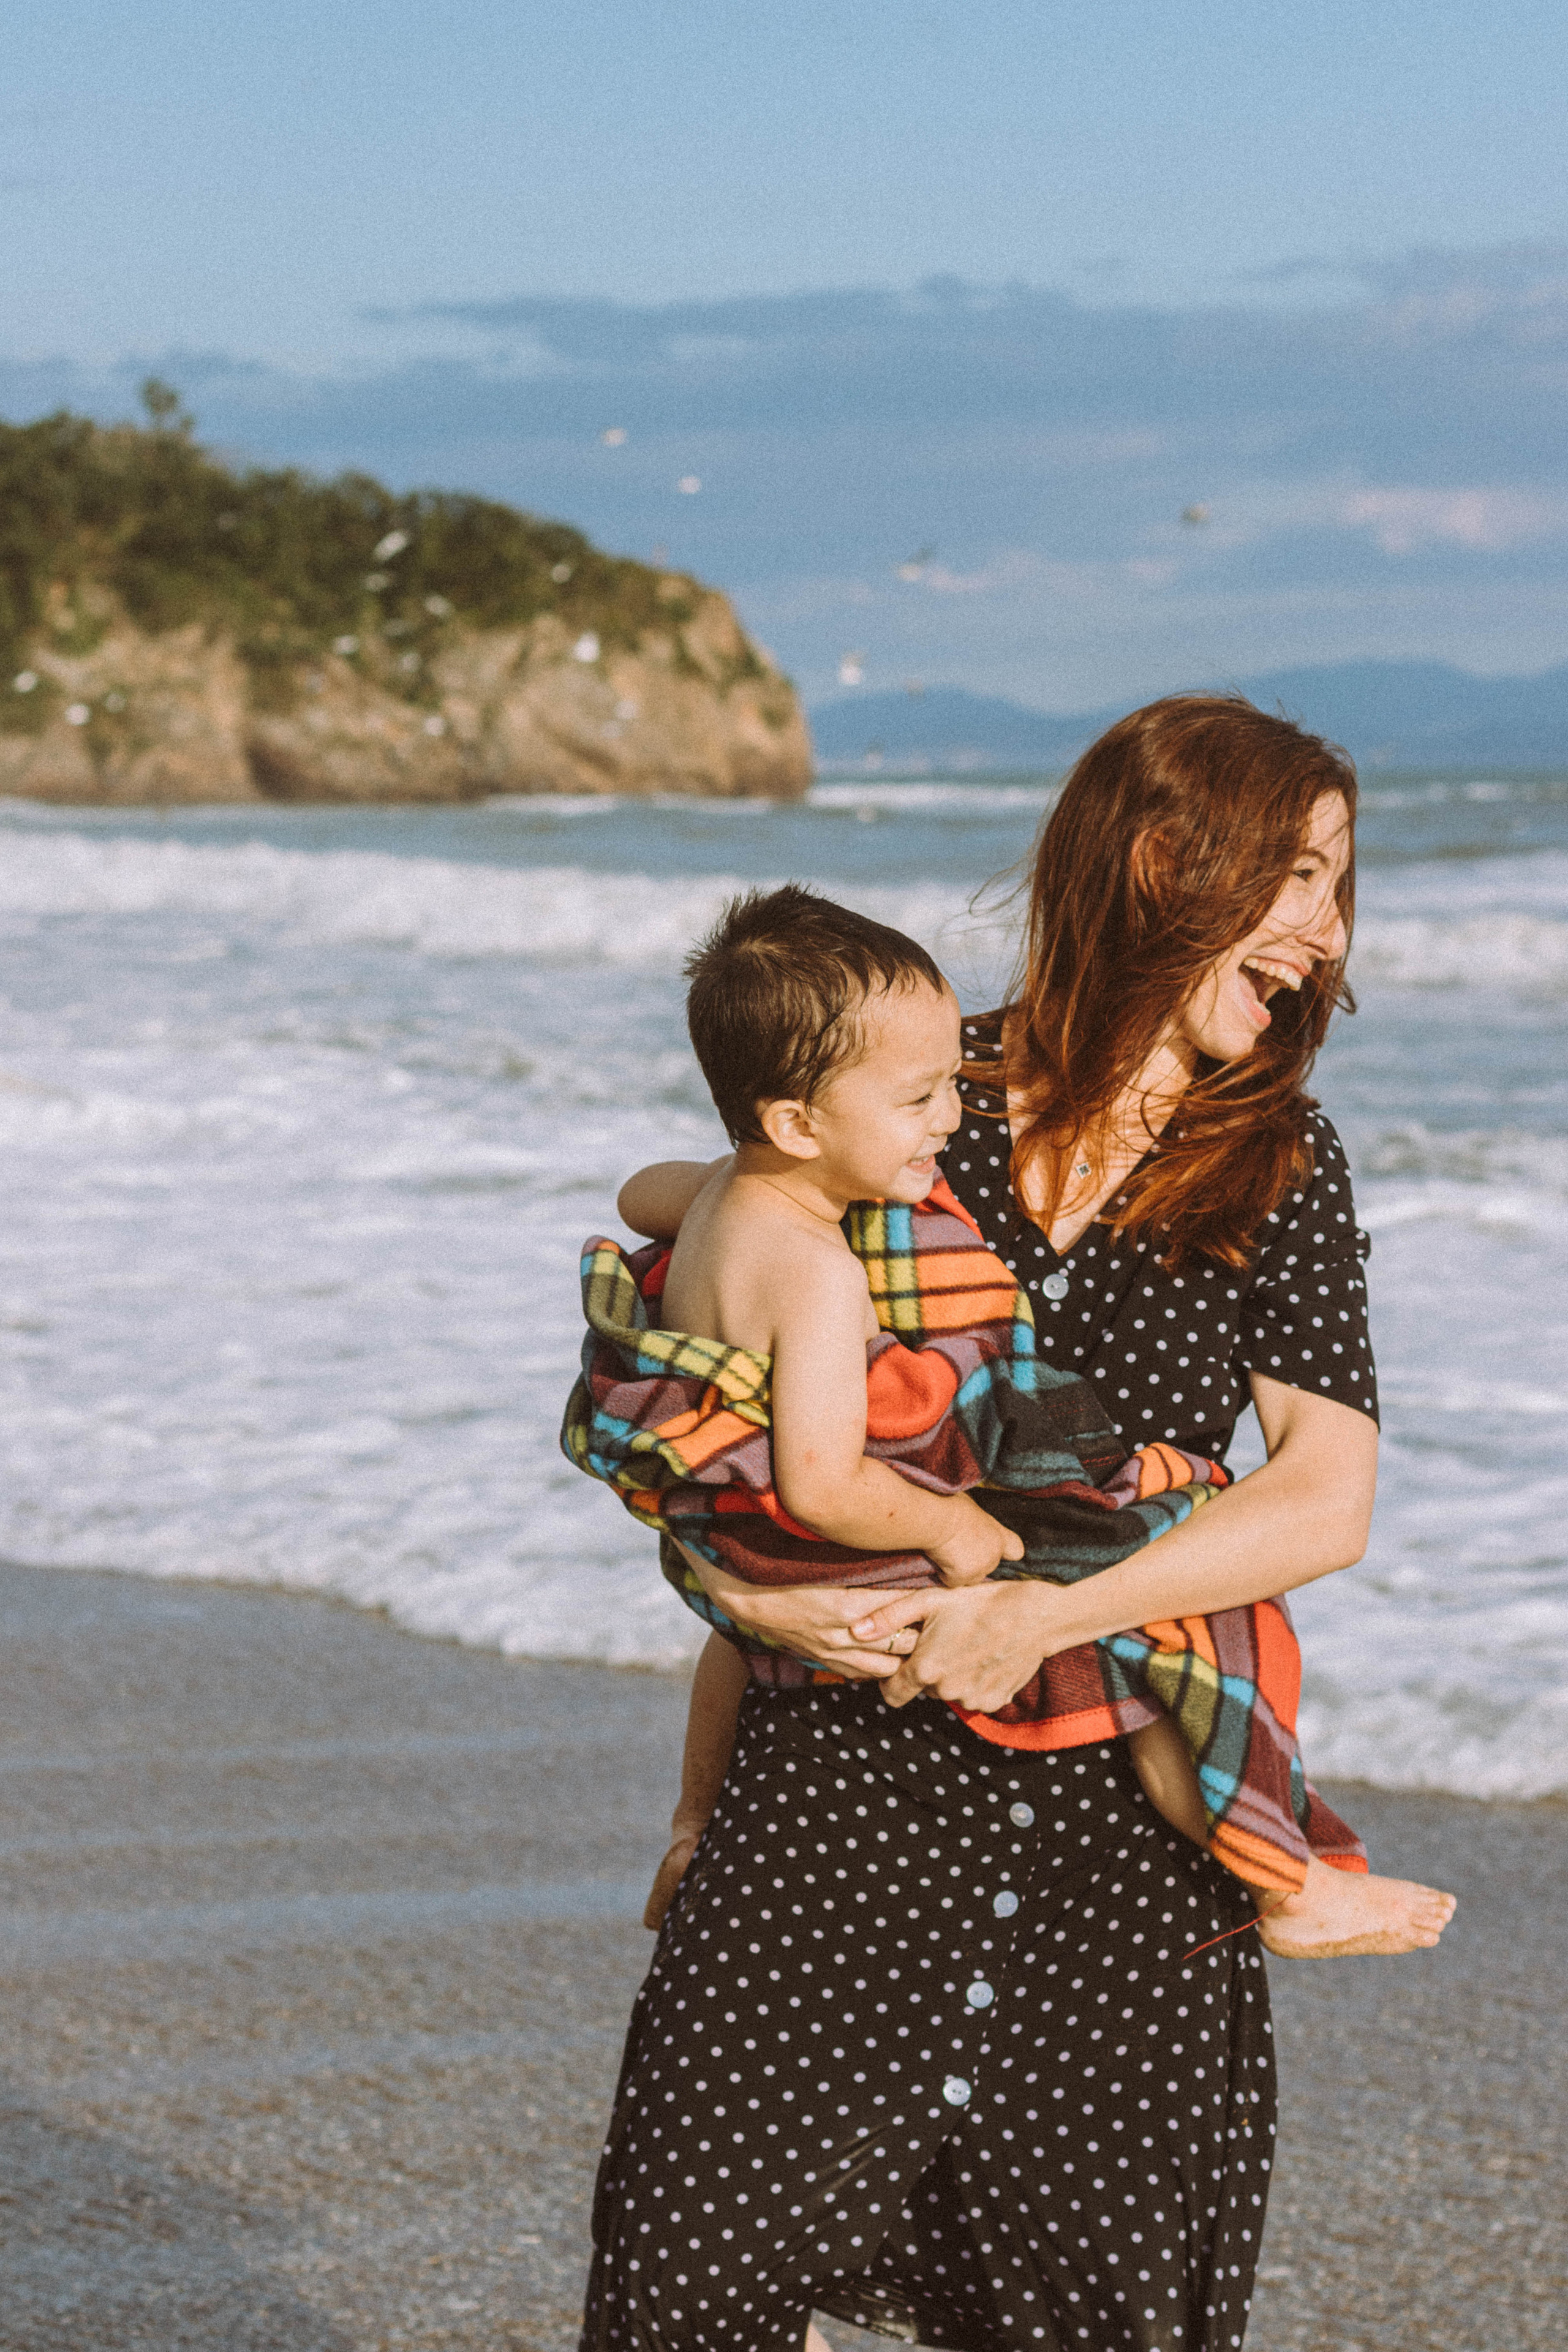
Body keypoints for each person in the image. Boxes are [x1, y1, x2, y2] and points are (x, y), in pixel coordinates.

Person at [577, 695, 1454, 2352]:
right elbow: (707, 1307)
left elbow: (1324, 1501)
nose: (1327, 934)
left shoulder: (1281, 1157)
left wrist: (1037, 1613)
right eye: (1301, 877)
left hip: (1122, 1880)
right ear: (1156, 859)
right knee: (682, 2296)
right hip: (834, 1826)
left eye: (1343, 888)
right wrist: (734, 1615)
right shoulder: (913, 1100)